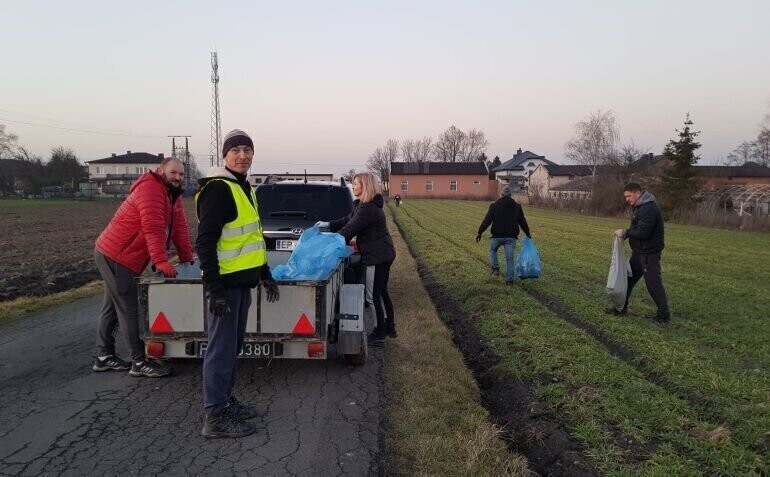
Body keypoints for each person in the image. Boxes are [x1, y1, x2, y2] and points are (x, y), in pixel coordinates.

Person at [196, 129, 280, 438]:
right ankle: (215, 417)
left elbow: (251, 239)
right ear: (225, 155)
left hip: (242, 283)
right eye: (236, 150)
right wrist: (214, 290)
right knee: (220, 350)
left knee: (233, 347)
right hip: (225, 286)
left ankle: (225, 401)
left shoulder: (244, 187)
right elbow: (205, 243)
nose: (243, 155)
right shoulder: (219, 189)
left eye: (247, 150)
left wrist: (265, 273)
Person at [93, 156, 193, 378]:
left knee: (112, 306)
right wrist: (160, 261)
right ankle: (139, 362)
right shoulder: (151, 189)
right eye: (173, 172)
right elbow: (152, 227)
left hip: (122, 255)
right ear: (161, 171)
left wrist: (186, 257)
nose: (177, 177)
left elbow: (179, 227)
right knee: (129, 308)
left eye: (181, 174)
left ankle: (104, 356)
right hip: (117, 255)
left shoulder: (171, 194)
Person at [316, 173, 396, 344]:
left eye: (356, 184)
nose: (353, 186)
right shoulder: (363, 205)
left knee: (372, 296)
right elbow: (347, 220)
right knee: (381, 291)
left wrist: (327, 243)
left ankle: (379, 333)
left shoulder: (367, 209)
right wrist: (329, 224)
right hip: (384, 252)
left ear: (365, 186)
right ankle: (389, 326)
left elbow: (349, 229)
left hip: (376, 256)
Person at [610, 183, 670, 322]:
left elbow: (644, 232)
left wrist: (625, 233)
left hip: (649, 253)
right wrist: (627, 233)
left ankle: (664, 315)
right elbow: (637, 228)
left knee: (653, 284)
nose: (627, 199)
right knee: (628, 279)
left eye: (629, 196)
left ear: (637, 193)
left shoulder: (648, 208)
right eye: (626, 197)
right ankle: (621, 308)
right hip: (639, 252)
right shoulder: (640, 207)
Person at [476, 185, 531, 285]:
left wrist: (480, 232)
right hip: (511, 237)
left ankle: (495, 268)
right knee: (510, 259)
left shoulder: (494, 206)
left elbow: (487, 221)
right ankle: (509, 281)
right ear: (510, 195)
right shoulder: (517, 207)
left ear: (501, 194)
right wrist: (528, 233)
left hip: (497, 236)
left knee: (492, 250)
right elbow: (523, 222)